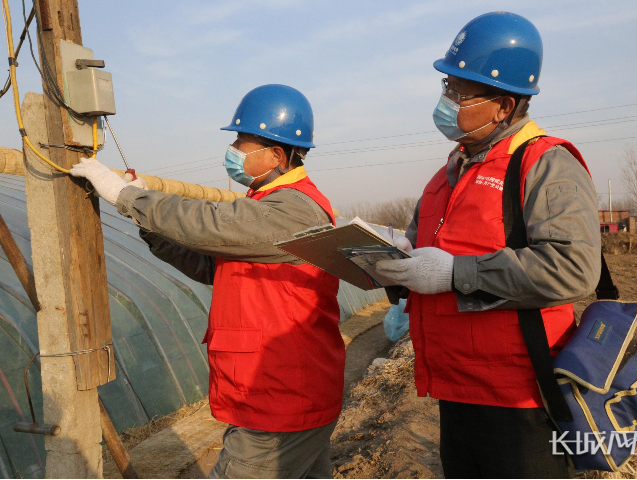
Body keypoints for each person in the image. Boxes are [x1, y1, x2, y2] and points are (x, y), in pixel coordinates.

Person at [70, 84, 345, 479]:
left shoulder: (294, 209)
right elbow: (212, 266)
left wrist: (130, 198)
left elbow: (210, 222)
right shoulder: (266, 206)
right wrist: (148, 225)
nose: (232, 150)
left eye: (241, 142)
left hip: (279, 401)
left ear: (276, 154)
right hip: (279, 395)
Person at [376, 12, 602, 479]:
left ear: (503, 106)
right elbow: (422, 252)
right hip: (454, 389)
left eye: (459, 92)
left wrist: (455, 274)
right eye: (447, 86)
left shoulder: (545, 164)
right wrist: (391, 263)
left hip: (520, 399)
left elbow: (573, 268)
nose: (446, 101)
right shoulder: (445, 176)